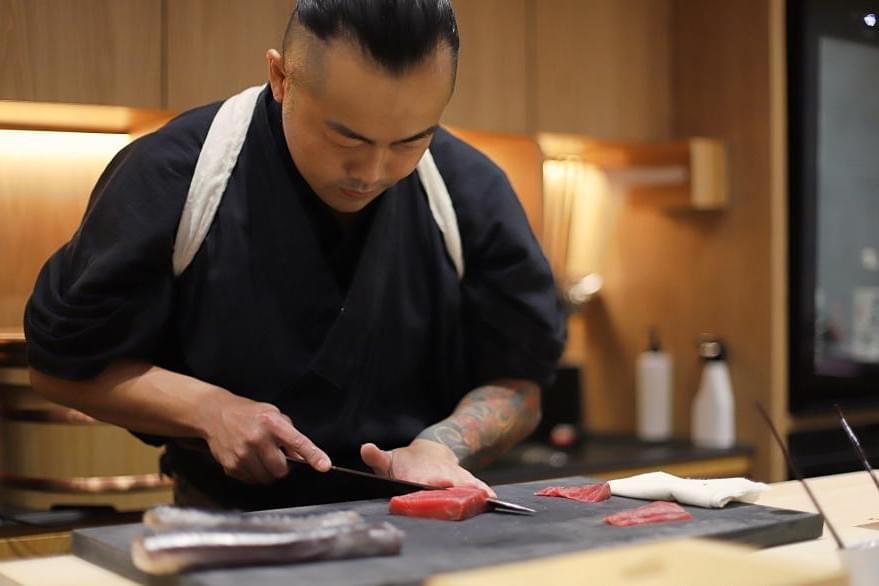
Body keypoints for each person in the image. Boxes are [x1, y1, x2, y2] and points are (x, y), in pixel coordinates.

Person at [24, 0, 565, 510]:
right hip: (223, 527)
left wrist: (441, 446)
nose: (373, 172)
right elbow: (59, 370)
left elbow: (521, 385)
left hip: (421, 523)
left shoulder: (470, 190)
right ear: (281, 78)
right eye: (346, 138)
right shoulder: (176, 174)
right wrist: (211, 410)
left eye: (409, 140)